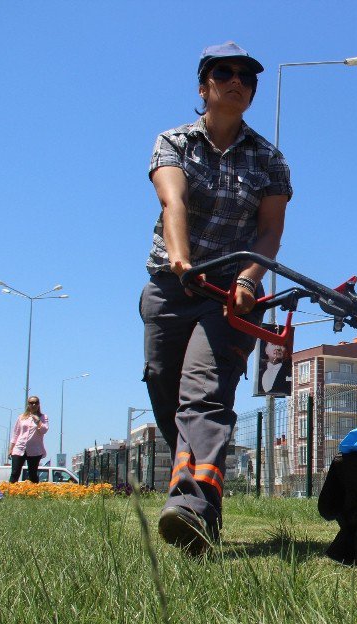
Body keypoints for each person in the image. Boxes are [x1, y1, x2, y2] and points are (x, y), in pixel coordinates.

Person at [140, 41, 292, 555]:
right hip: (172, 284)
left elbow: (269, 232)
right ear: (203, 86)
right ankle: (203, 505)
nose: (237, 81)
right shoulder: (174, 141)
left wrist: (249, 279)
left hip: (231, 295)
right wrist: (182, 259)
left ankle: (191, 505)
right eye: (224, 73)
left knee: (204, 393)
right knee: (166, 388)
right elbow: (172, 199)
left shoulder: (269, 159)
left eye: (247, 76)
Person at [9, 396, 48, 483]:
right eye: (31, 403)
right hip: (19, 448)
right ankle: (10, 492)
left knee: (33, 475)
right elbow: (16, 433)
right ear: (28, 405)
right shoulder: (21, 417)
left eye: (36, 403)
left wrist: (38, 421)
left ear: (39, 405)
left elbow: (44, 430)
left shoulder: (43, 417)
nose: (33, 404)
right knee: (15, 473)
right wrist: (11, 448)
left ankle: (33, 494)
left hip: (35, 450)